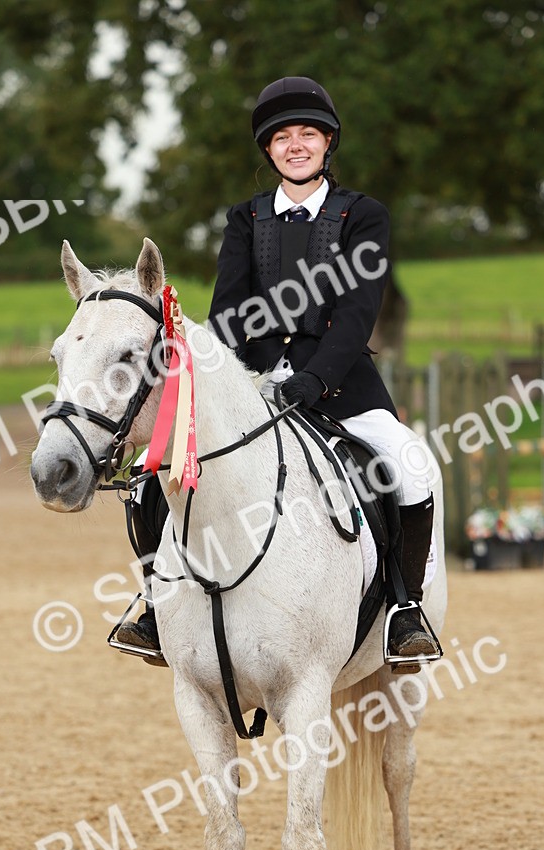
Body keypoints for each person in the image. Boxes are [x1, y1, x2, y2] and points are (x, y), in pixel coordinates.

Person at [116, 75, 439, 670]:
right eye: (283, 137)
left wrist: (316, 379)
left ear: (327, 143)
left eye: (308, 134)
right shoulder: (246, 219)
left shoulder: (362, 215)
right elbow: (230, 312)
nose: (296, 145)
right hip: (256, 389)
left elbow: (358, 311)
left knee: (411, 465)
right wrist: (232, 380)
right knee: (149, 474)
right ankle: (153, 605)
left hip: (341, 387)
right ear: (269, 149)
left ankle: (404, 608)